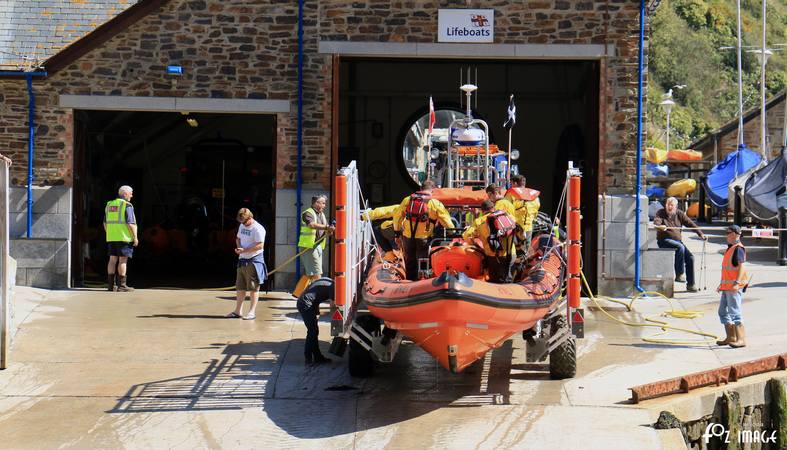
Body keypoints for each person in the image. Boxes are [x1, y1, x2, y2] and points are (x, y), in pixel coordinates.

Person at [392, 180, 453, 280]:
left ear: (420, 189)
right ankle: (423, 282)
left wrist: (397, 234)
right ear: (433, 190)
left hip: (407, 236)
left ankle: (410, 282)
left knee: (410, 261)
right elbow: (447, 222)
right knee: (423, 262)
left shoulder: (408, 200)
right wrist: (452, 233)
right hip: (424, 238)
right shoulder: (435, 203)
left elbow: (397, 217)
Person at [653, 197, 707, 292]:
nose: (669, 207)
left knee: (690, 258)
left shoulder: (679, 213)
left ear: (675, 206)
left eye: (671, 205)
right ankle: (679, 274)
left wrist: (701, 233)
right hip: (664, 240)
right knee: (680, 247)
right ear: (665, 205)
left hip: (678, 241)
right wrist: (659, 226)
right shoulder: (660, 212)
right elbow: (657, 222)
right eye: (668, 204)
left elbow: (690, 224)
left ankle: (690, 284)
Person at [463, 200, 517, 283]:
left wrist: (474, 244)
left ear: (482, 211)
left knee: (495, 282)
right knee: (508, 281)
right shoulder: (507, 215)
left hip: (494, 257)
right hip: (511, 254)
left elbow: (466, 235)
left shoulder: (479, 221)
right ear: (494, 208)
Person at [228, 208, 267, 320]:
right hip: (242, 259)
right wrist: (239, 246)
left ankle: (252, 312)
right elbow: (238, 238)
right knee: (240, 286)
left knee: (253, 287)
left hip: (254, 260)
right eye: (241, 222)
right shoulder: (242, 225)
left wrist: (244, 251)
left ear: (250, 218)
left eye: (245, 222)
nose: (243, 224)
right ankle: (237, 311)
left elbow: (260, 245)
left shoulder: (258, 229)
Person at [716, 225, 748, 348]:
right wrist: (722, 284)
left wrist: (736, 283)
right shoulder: (731, 248)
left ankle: (741, 339)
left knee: (735, 312)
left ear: (735, 234)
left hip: (734, 288)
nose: (726, 235)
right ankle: (731, 337)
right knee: (723, 312)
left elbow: (742, 267)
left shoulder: (738, 249)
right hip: (726, 287)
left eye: (728, 233)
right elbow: (728, 270)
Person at [104, 185, 138, 292]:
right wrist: (135, 237)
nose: (132, 195)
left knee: (112, 260)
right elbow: (130, 223)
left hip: (111, 238)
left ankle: (110, 286)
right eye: (131, 193)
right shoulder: (127, 205)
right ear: (125, 194)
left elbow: (104, 223)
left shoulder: (109, 205)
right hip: (124, 237)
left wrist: (110, 233)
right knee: (123, 260)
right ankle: (122, 286)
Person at [297, 195, 335, 285]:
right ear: (316, 203)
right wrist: (327, 227)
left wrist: (328, 232)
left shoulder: (321, 215)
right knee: (317, 273)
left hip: (317, 246)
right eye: (323, 203)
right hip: (309, 247)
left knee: (311, 274)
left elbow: (323, 230)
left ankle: (300, 294)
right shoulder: (308, 213)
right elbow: (312, 225)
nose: (324, 205)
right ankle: (317, 295)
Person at [297, 277, 334, 365]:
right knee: (312, 332)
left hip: (306, 303)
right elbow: (333, 306)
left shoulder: (328, 281)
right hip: (305, 304)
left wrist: (316, 312)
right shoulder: (334, 288)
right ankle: (308, 358)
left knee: (314, 331)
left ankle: (318, 357)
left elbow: (315, 295)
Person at [504, 175, 541, 250]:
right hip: (528, 227)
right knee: (525, 251)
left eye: (511, 184)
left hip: (514, 228)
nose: (511, 186)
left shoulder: (511, 194)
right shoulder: (534, 196)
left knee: (513, 251)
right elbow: (536, 210)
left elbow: (504, 209)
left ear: (515, 183)